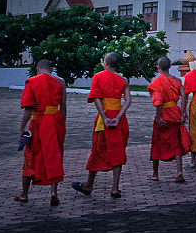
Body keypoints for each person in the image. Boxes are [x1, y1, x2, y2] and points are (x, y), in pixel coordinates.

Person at [73, 51, 132, 199]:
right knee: (118, 150)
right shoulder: (123, 79)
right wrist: (118, 117)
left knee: (97, 150)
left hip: (104, 118)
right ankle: (115, 188)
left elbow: (97, 98)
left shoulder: (98, 77)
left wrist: (105, 117)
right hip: (119, 118)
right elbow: (128, 101)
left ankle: (89, 184)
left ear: (105, 63)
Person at [14, 58, 65, 205]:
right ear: (51, 70)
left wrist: (21, 128)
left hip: (37, 122)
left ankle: (25, 194)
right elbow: (63, 107)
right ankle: (54, 192)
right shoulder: (60, 82)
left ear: (37, 69)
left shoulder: (33, 82)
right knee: (55, 155)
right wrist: (62, 126)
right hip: (55, 121)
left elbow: (28, 109)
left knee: (30, 157)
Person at [147, 55, 187, 183]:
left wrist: (158, 117)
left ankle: (155, 174)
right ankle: (179, 171)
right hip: (174, 113)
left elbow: (158, 101)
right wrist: (183, 112)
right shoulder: (177, 81)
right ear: (170, 67)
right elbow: (184, 96)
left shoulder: (157, 82)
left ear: (158, 67)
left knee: (157, 143)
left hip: (163, 114)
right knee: (176, 143)